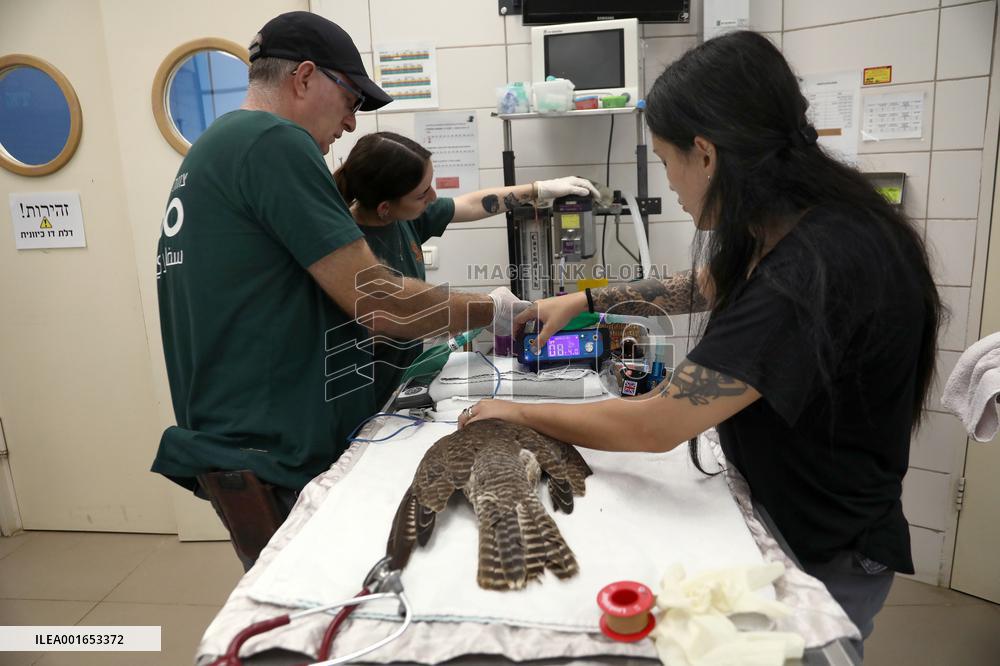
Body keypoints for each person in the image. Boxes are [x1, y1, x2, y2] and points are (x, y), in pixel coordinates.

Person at [459, 31, 942, 656]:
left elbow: (660, 423)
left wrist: (514, 411)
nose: (674, 186)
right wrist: (585, 301)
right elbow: (708, 283)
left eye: (665, 162)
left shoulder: (813, 272)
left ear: (706, 154)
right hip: (805, 509)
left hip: (823, 547)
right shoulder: (815, 220)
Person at [151, 11, 528, 570]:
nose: (352, 124)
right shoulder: (272, 141)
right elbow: (376, 300)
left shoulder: (216, 149)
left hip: (243, 441)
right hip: (272, 451)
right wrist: (496, 310)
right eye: (351, 100)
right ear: (304, 77)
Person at [332, 130, 600, 406]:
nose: (433, 197)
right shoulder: (349, 249)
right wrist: (477, 312)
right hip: (363, 392)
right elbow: (390, 316)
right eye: (423, 193)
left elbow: (471, 204)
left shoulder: (403, 219)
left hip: (404, 380)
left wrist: (537, 190)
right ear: (385, 208)